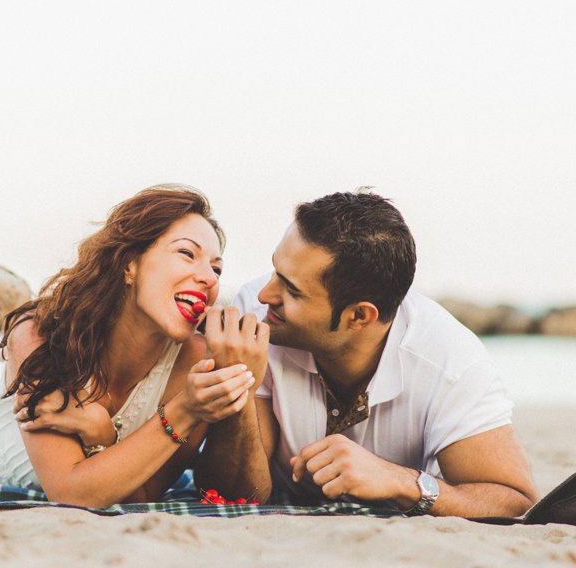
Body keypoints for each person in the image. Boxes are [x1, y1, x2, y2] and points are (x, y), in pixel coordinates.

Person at [0, 185, 257, 508]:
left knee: (29, 335)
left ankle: (14, 302)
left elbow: (140, 497)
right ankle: (16, 308)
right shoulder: (38, 339)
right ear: (129, 265)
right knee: (28, 331)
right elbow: (71, 491)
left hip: (56, 361)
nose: (208, 278)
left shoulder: (193, 359)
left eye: (217, 268)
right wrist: (185, 410)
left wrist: (101, 433)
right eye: (187, 254)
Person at [194, 190, 540, 518]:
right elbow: (237, 496)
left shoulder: (447, 360)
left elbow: (514, 498)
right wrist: (236, 385)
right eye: (275, 271)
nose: (266, 294)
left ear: (359, 316)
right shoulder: (256, 314)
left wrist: (402, 481)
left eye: (293, 291)